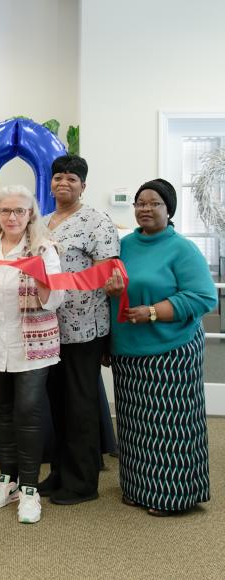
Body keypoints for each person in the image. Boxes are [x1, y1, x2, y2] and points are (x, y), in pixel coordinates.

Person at [105, 178, 216, 517]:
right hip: (129, 351)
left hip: (171, 352)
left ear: (169, 210)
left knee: (171, 427)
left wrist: (154, 311)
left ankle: (174, 496)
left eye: (154, 203)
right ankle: (139, 488)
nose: (145, 209)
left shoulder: (182, 248)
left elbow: (203, 297)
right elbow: (115, 293)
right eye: (140, 203)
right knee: (136, 427)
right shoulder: (124, 246)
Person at [0, 185, 64, 524]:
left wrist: (41, 278)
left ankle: (29, 489)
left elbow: (57, 300)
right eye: (5, 210)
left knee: (27, 413)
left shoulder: (44, 248)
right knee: (2, 412)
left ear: (30, 215)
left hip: (33, 346)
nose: (11, 217)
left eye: (19, 211)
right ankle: (7, 479)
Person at [40, 155, 120, 505]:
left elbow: (108, 274)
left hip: (84, 329)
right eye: (59, 177)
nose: (64, 183)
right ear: (51, 183)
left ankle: (82, 482)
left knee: (81, 405)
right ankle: (59, 472)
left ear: (83, 186)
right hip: (47, 329)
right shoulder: (41, 223)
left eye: (72, 179)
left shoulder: (96, 221)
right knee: (57, 403)